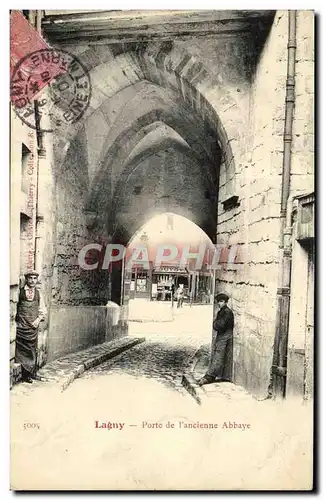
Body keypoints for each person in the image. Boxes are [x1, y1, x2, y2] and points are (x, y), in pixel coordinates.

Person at [15, 270, 47, 383]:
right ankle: (24, 375)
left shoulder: (38, 294)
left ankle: (32, 373)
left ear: (36, 280)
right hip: (21, 328)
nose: (32, 280)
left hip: (32, 328)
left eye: (34, 278)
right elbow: (15, 309)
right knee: (21, 351)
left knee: (32, 350)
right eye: (30, 278)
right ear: (26, 279)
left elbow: (42, 310)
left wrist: (37, 321)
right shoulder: (20, 292)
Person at [198, 293, 234, 386]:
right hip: (222, 335)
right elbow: (217, 324)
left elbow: (220, 325)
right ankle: (220, 376)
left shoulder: (226, 312)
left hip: (224, 335)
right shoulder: (222, 311)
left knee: (219, 355)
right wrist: (216, 324)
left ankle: (210, 376)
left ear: (225, 302)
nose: (219, 303)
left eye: (221, 301)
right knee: (220, 355)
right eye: (218, 301)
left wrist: (215, 324)